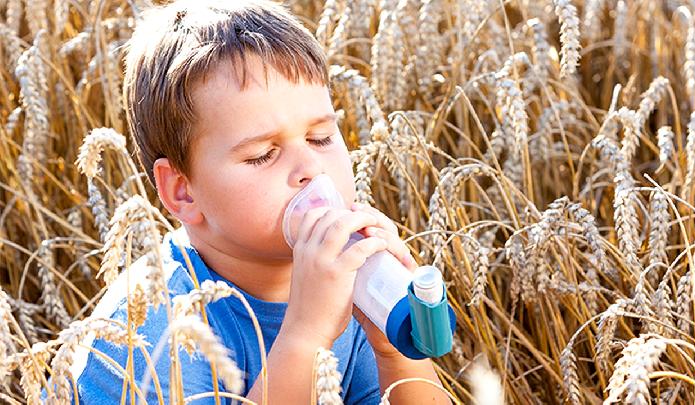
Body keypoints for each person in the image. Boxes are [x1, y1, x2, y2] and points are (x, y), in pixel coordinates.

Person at [67, 0, 450, 403]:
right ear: (183, 190)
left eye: (320, 137)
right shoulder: (149, 336)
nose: (310, 167)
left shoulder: (349, 281)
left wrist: (394, 349)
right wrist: (306, 335)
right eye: (262, 154)